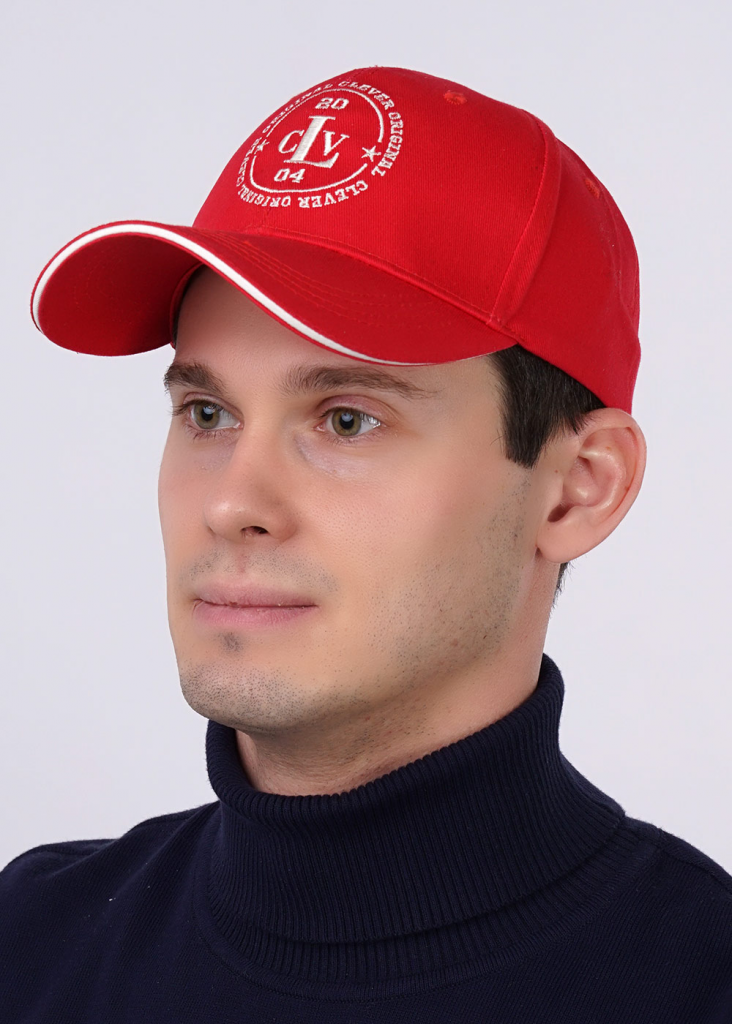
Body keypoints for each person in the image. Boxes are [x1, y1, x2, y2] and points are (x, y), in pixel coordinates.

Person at [3, 65, 731, 1022]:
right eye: (208, 412)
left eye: (347, 419)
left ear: (578, 490)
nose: (231, 503)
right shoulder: (32, 946)